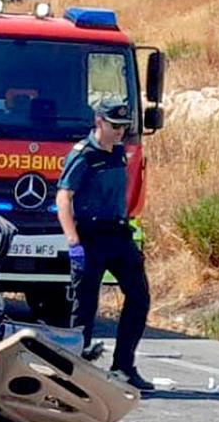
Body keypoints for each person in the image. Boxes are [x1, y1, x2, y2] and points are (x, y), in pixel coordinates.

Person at [56, 102, 153, 391]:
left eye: (123, 126)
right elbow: (64, 199)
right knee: (85, 306)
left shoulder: (119, 153)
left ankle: (124, 365)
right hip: (90, 235)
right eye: (114, 126)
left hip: (118, 234)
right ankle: (75, 372)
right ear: (99, 122)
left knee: (139, 296)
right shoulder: (83, 156)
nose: (120, 131)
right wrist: (73, 242)